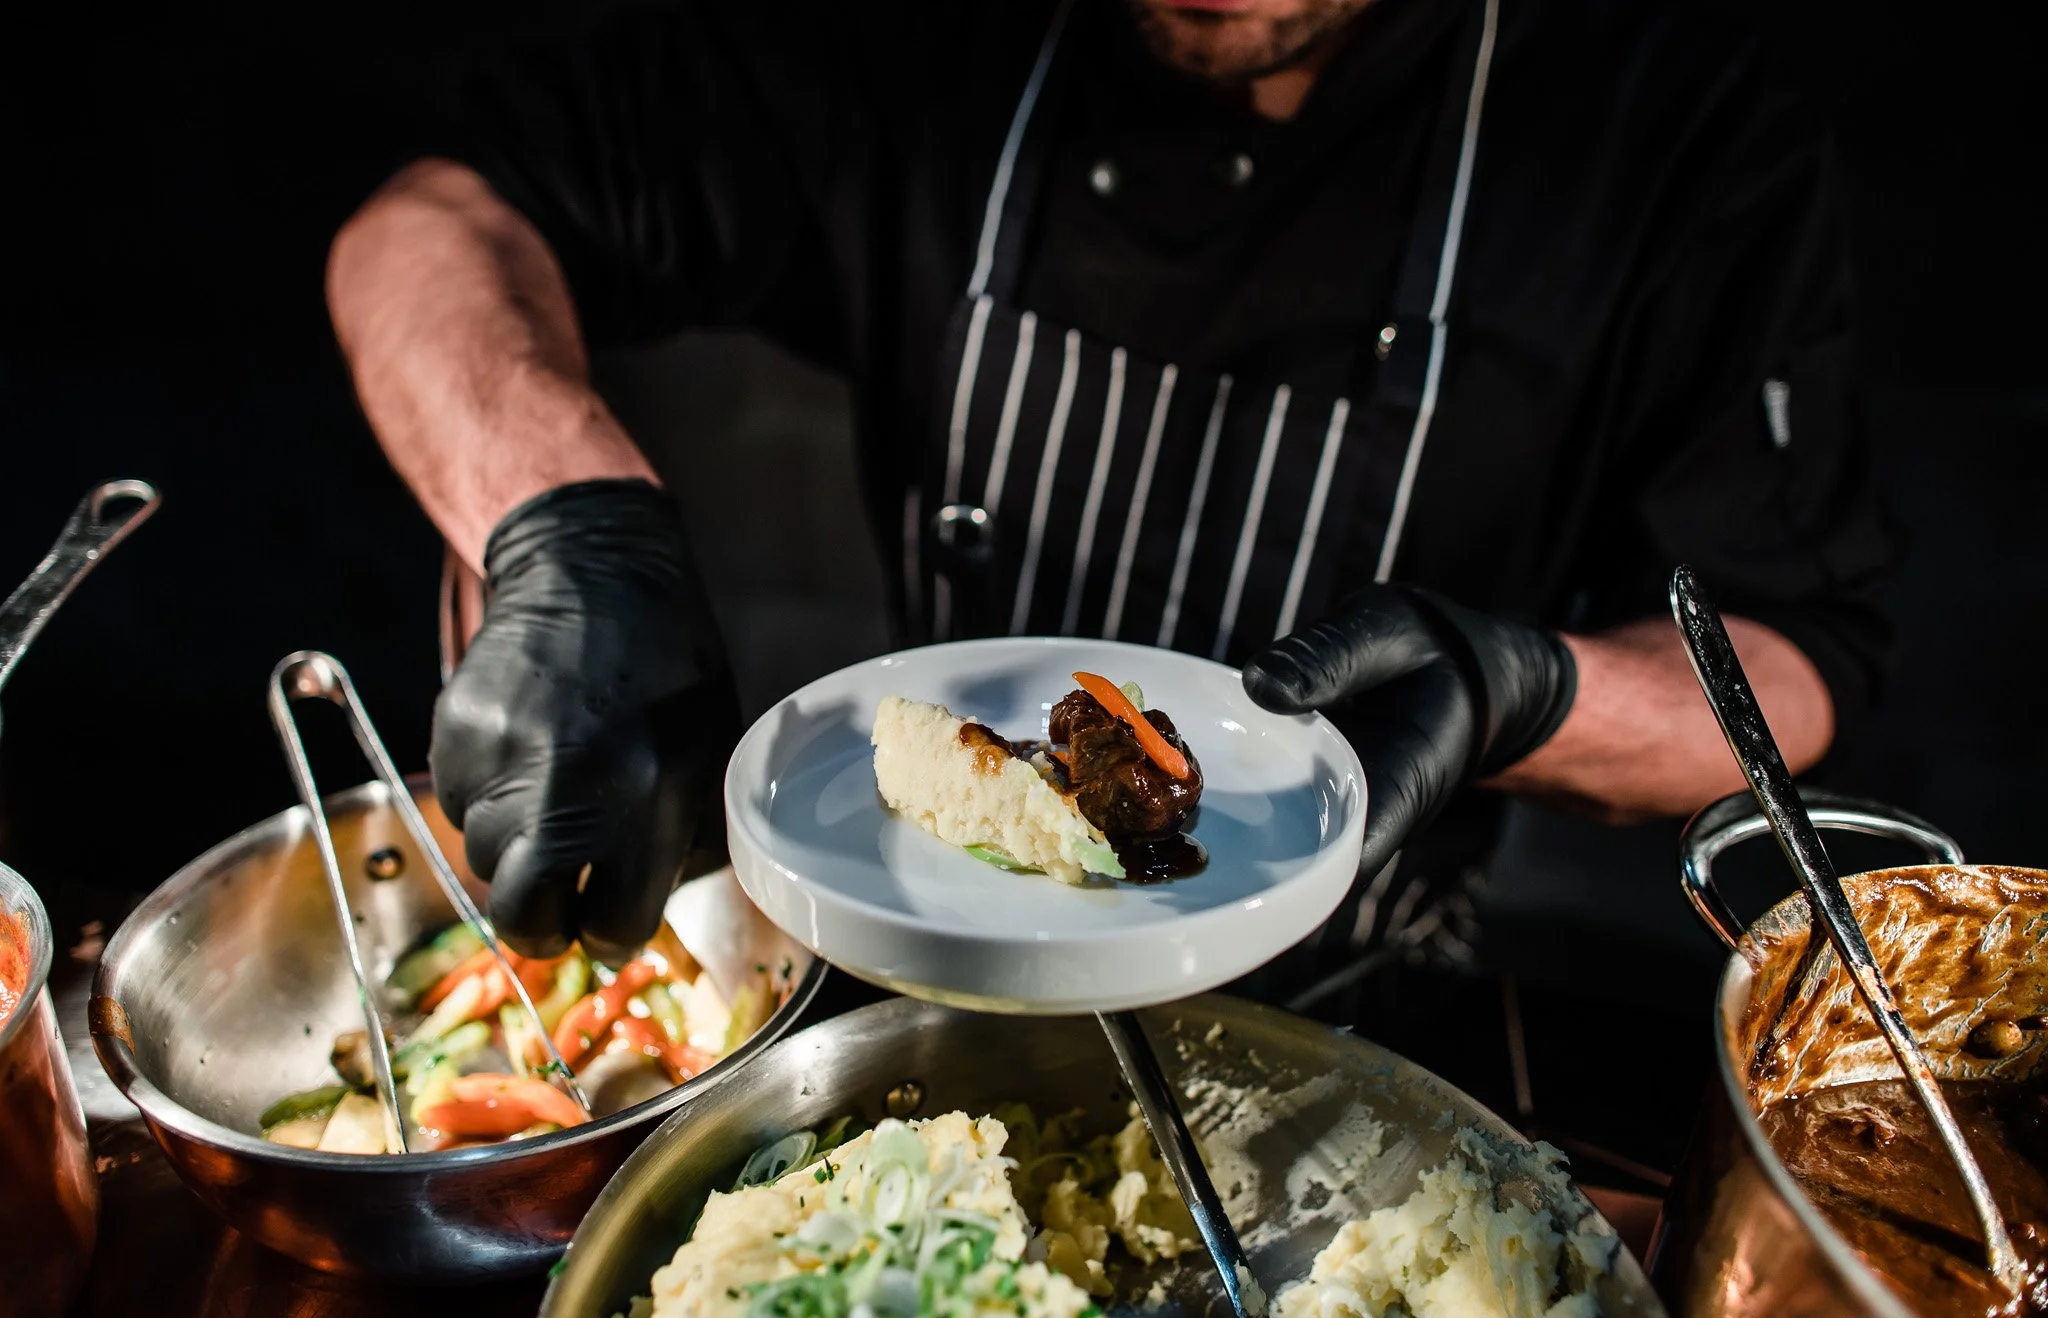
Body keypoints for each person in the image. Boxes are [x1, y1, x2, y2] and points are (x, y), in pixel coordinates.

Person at [327, 0, 1888, 994]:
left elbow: (1794, 667)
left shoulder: (1677, 133)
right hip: (925, 968)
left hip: (1357, 1002)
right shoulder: (920, 37)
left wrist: (1531, 692)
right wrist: (563, 520)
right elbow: (433, 215)